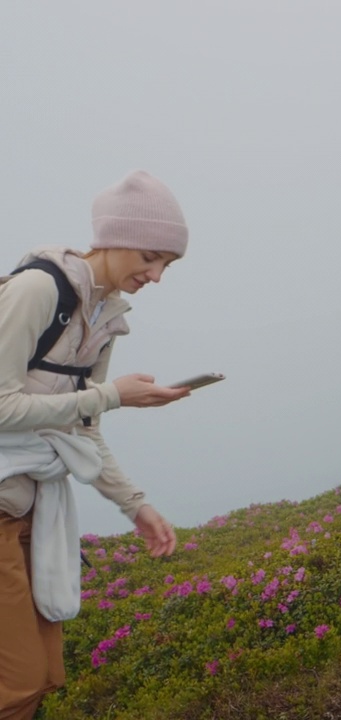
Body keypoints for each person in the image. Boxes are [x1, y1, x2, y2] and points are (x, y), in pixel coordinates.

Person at [0, 170, 193, 720]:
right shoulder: (39, 290)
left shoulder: (105, 319)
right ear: (113, 237)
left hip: (32, 511)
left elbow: (80, 430)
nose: (156, 275)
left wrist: (137, 506)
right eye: (151, 256)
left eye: (168, 265)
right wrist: (109, 396)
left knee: (44, 675)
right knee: (18, 682)